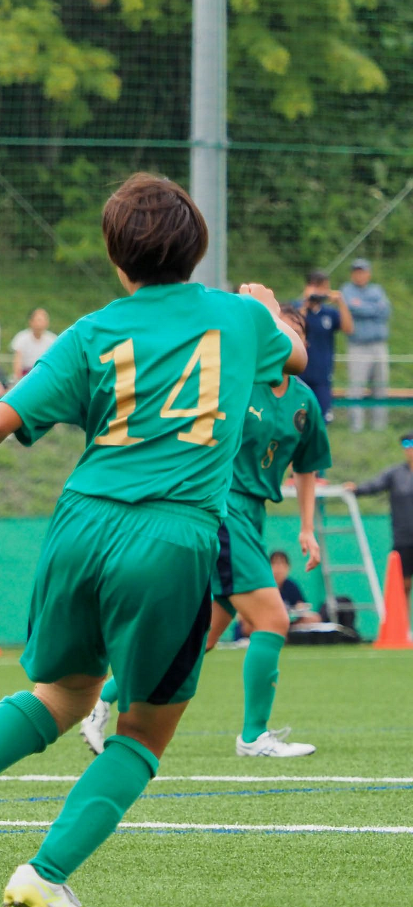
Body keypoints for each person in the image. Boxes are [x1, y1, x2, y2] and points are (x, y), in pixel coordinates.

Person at [0, 172, 305, 907]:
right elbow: (292, 358)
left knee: (62, 693)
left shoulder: (92, 332)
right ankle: (45, 871)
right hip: (172, 536)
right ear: (196, 247)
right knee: (140, 732)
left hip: (80, 524)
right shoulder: (239, 320)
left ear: (116, 259)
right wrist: (267, 311)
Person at [84, 306, 330, 759]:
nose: (287, 343)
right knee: (272, 619)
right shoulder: (240, 383)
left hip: (253, 515)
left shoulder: (304, 401)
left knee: (201, 639)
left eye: (296, 336)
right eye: (278, 332)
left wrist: (308, 529)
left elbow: (308, 468)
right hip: (224, 510)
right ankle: (253, 737)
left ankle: (103, 698)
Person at [345, 433, 413, 598]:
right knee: (402, 585)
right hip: (403, 540)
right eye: (406, 444)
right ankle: (402, 624)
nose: (410, 448)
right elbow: (374, 485)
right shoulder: (395, 474)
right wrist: (356, 489)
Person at [342, 258, 391, 432]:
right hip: (358, 346)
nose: (359, 275)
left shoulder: (377, 289)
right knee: (357, 386)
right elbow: (351, 308)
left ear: (368, 273)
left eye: (362, 271)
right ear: (352, 274)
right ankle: (356, 427)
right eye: (356, 271)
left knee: (381, 385)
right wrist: (373, 308)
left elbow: (385, 310)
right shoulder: (347, 291)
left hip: (379, 345)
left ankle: (380, 426)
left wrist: (362, 307)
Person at [296, 271, 351, 423]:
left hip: (322, 375)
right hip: (299, 373)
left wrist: (341, 302)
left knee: (321, 419)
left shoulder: (329, 313)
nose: (321, 293)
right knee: (297, 418)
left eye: (324, 288)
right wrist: (305, 303)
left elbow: (348, 329)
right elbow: (294, 325)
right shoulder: (296, 308)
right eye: (317, 288)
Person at [270, 551, 322, 626]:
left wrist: (300, 607)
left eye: (282, 564)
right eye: (274, 564)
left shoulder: (291, 586)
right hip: (271, 622)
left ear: (288, 568)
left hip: (290, 623)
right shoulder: (266, 587)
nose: (278, 568)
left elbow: (300, 605)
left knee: (315, 618)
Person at [10, 307, 58, 379]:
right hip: (25, 375)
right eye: (38, 320)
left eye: (43, 320)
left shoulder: (52, 339)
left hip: (45, 375)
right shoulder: (21, 337)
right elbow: (17, 362)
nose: (40, 323)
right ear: (31, 321)